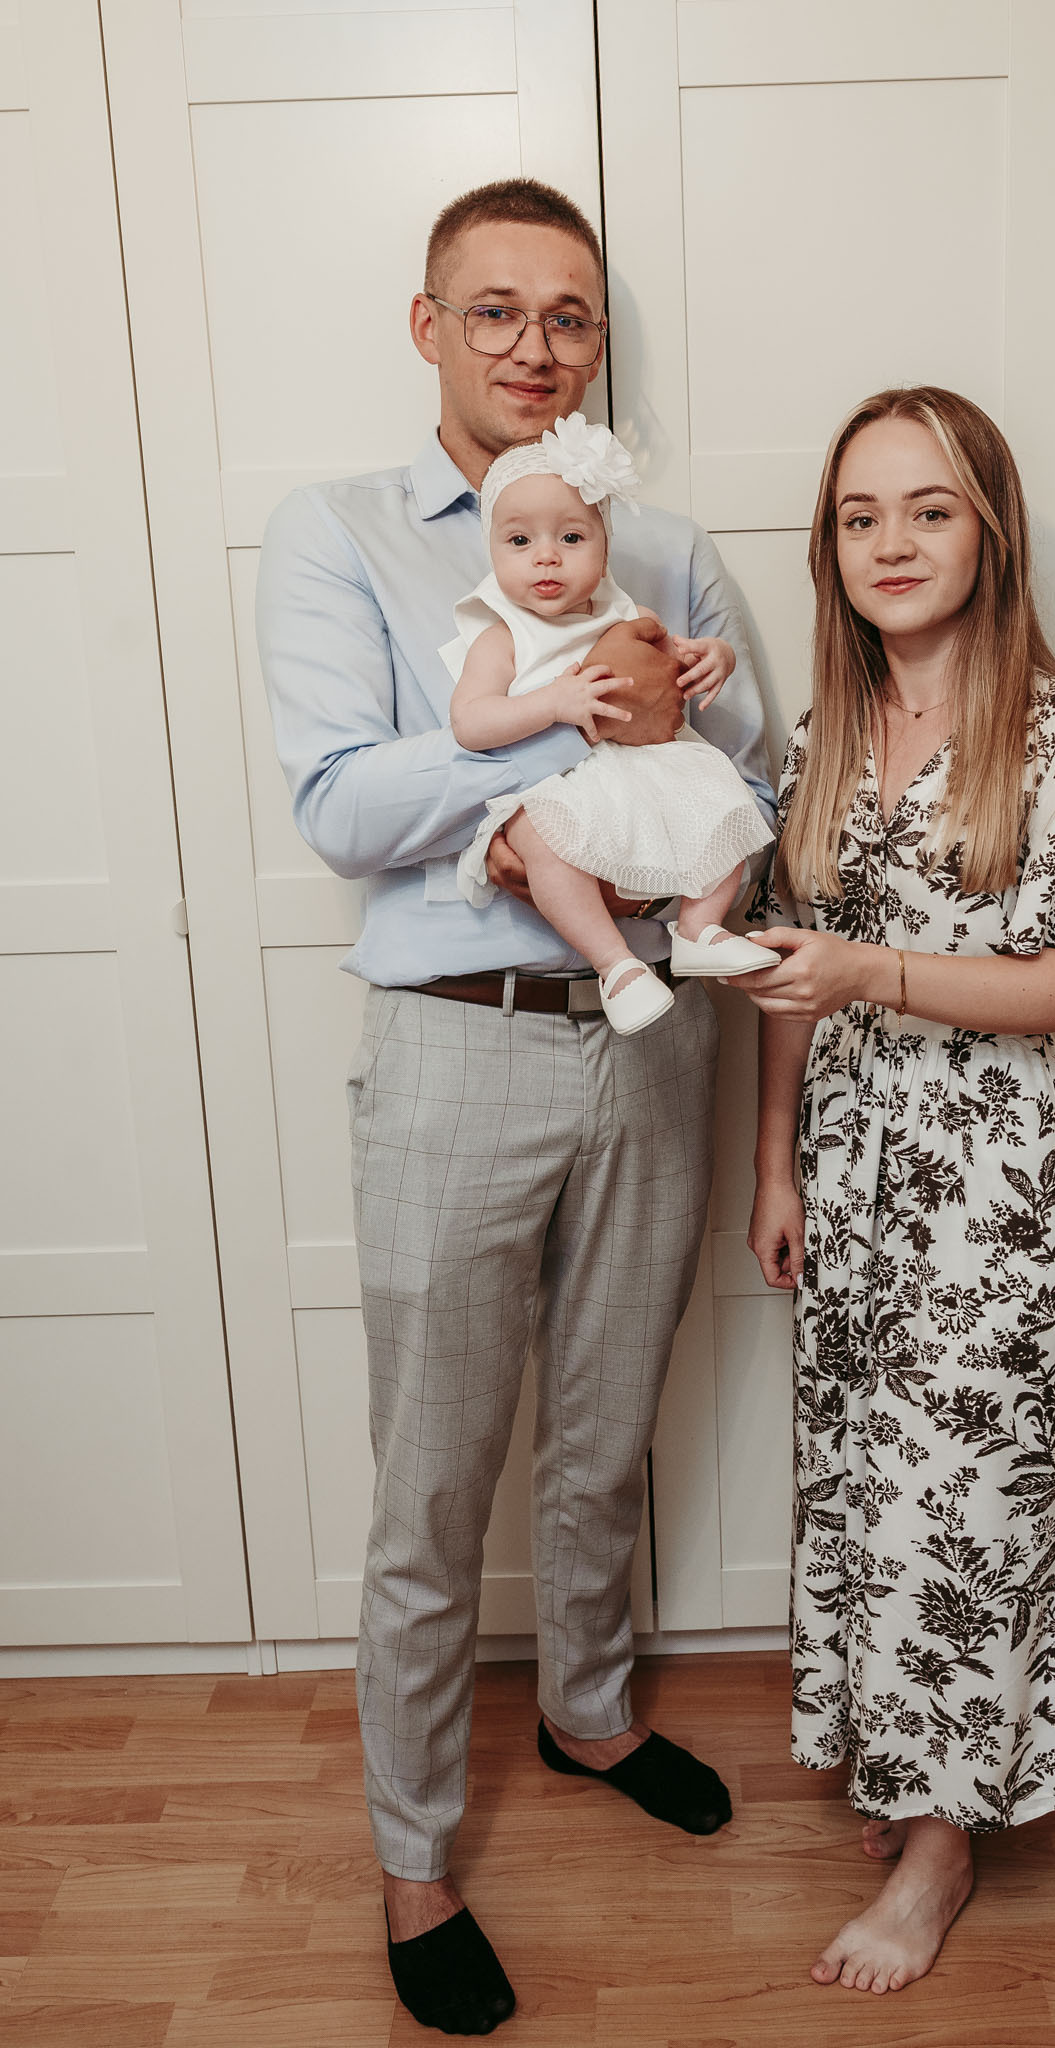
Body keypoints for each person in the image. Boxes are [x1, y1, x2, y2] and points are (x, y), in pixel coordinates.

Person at [256, 176, 775, 2035]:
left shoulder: (671, 545)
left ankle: (589, 1712)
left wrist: (683, 710)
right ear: (429, 328)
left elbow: (742, 780)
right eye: (494, 310)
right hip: (455, 1041)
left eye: (568, 315)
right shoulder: (338, 535)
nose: (534, 345)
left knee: (605, 1421)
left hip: (652, 1033)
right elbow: (342, 807)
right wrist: (558, 731)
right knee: (432, 1475)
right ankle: (412, 1856)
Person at [739, 387, 1055, 1998]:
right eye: (859, 516)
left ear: (990, 529)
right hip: (848, 1168)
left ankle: (940, 1846)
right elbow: (789, 974)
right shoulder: (819, 739)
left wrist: (875, 971)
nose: (889, 542)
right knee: (870, 1490)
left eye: (925, 509)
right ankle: (913, 1768)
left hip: (993, 1185)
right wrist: (771, 1160)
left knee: (963, 1502)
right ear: (828, 548)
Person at [440, 412, 774, 1032]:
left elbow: (674, 659)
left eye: (571, 538)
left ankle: (700, 927)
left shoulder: (627, 613)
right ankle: (616, 965)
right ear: (491, 551)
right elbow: (471, 722)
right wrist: (553, 702)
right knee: (544, 845)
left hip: (644, 772)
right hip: (557, 786)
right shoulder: (502, 636)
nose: (546, 557)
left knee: (723, 801)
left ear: (605, 547)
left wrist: (715, 657)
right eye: (519, 541)